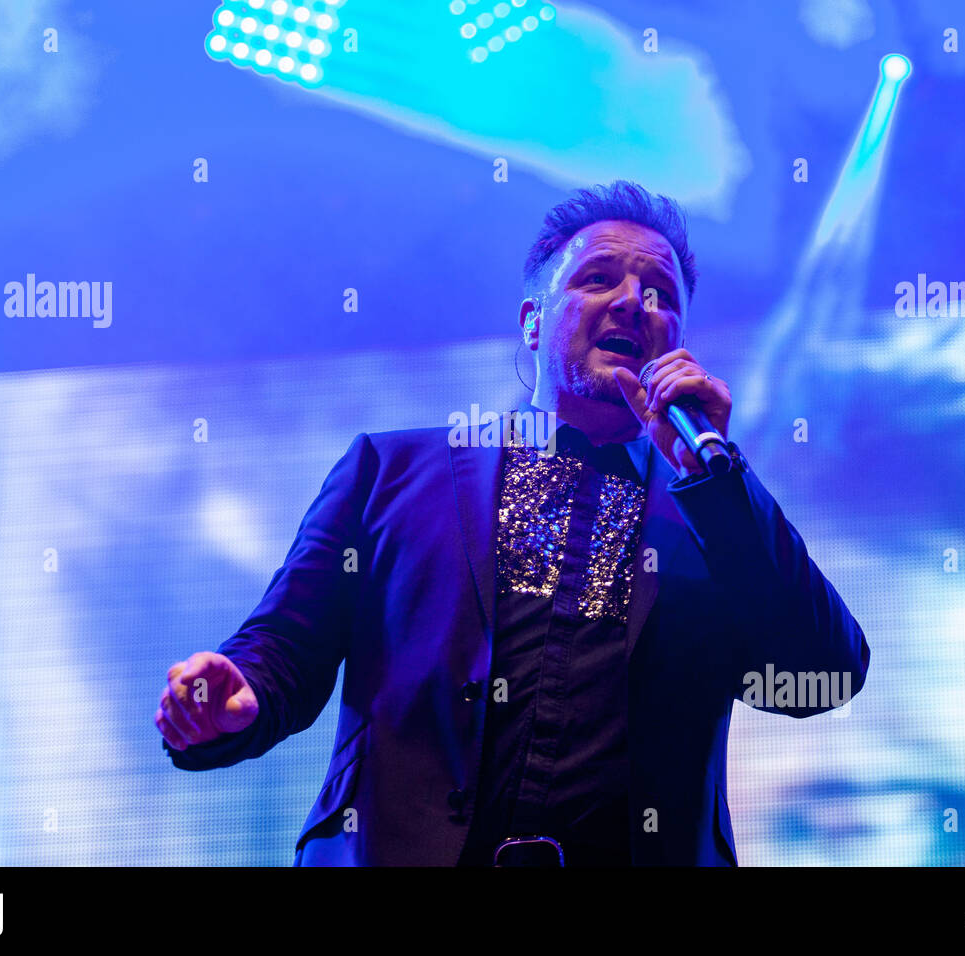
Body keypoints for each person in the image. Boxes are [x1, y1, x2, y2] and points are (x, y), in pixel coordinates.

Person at [155, 180, 870, 866]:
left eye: (659, 295)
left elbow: (822, 676)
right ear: (533, 322)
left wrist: (720, 482)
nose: (631, 302)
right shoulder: (391, 471)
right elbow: (286, 645)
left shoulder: (714, 514)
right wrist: (235, 697)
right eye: (598, 279)